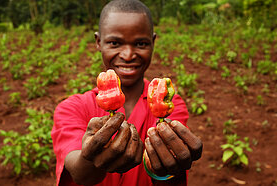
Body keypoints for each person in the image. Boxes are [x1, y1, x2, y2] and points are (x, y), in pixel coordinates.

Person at [51, 0, 203, 185]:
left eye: (141, 43)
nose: (128, 55)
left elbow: (169, 178)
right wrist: (91, 160)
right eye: (115, 43)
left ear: (153, 42)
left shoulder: (172, 104)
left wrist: (171, 169)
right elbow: (80, 174)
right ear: (98, 42)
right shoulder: (72, 108)